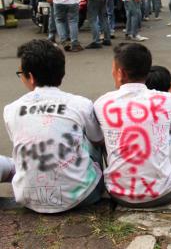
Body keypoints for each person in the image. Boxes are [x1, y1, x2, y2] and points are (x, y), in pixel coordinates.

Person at [93, 43, 171, 208]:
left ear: (120, 73)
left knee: (97, 134)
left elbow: (96, 139)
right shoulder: (165, 99)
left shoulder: (102, 103)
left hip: (118, 195)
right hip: (163, 194)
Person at [3, 39, 103, 213]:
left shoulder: (11, 109)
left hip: (28, 199)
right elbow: (98, 140)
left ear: (30, 77)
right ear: (62, 74)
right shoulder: (80, 104)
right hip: (81, 197)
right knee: (91, 139)